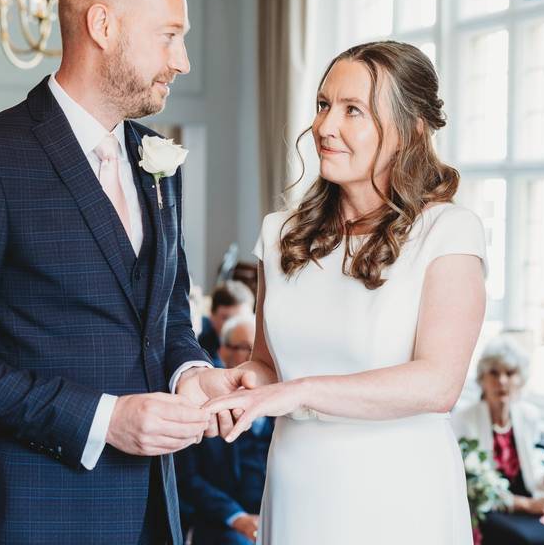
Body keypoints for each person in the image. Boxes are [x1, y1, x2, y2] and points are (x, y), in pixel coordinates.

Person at [0, 0, 249, 545]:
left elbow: (165, 314)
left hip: (153, 513)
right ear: (103, 26)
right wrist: (103, 420)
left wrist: (191, 373)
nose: (184, 61)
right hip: (33, 512)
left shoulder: (158, 161)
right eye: (169, 36)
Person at [204, 41, 488, 543]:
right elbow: (267, 363)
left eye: (352, 110)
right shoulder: (279, 233)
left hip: (397, 491)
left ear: (411, 129)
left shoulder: (448, 232)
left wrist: (300, 391)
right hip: (297, 483)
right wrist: (242, 382)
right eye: (322, 105)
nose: (324, 127)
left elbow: (438, 383)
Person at [452, 338, 544, 544]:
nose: (502, 381)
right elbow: (474, 487)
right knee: (533, 540)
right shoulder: (464, 420)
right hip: (491, 508)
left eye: (510, 373)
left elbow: (533, 468)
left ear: (520, 380)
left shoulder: (529, 415)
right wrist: (527, 505)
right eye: (494, 373)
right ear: (482, 379)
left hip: (529, 501)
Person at [177, 314, 272, 545]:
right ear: (223, 352)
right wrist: (237, 518)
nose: (257, 358)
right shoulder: (201, 403)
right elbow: (188, 480)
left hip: (273, 516)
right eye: (246, 348)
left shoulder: (285, 414)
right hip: (221, 521)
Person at [198, 282, 255, 367]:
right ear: (211, 315)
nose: (234, 325)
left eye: (241, 319)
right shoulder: (197, 337)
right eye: (227, 318)